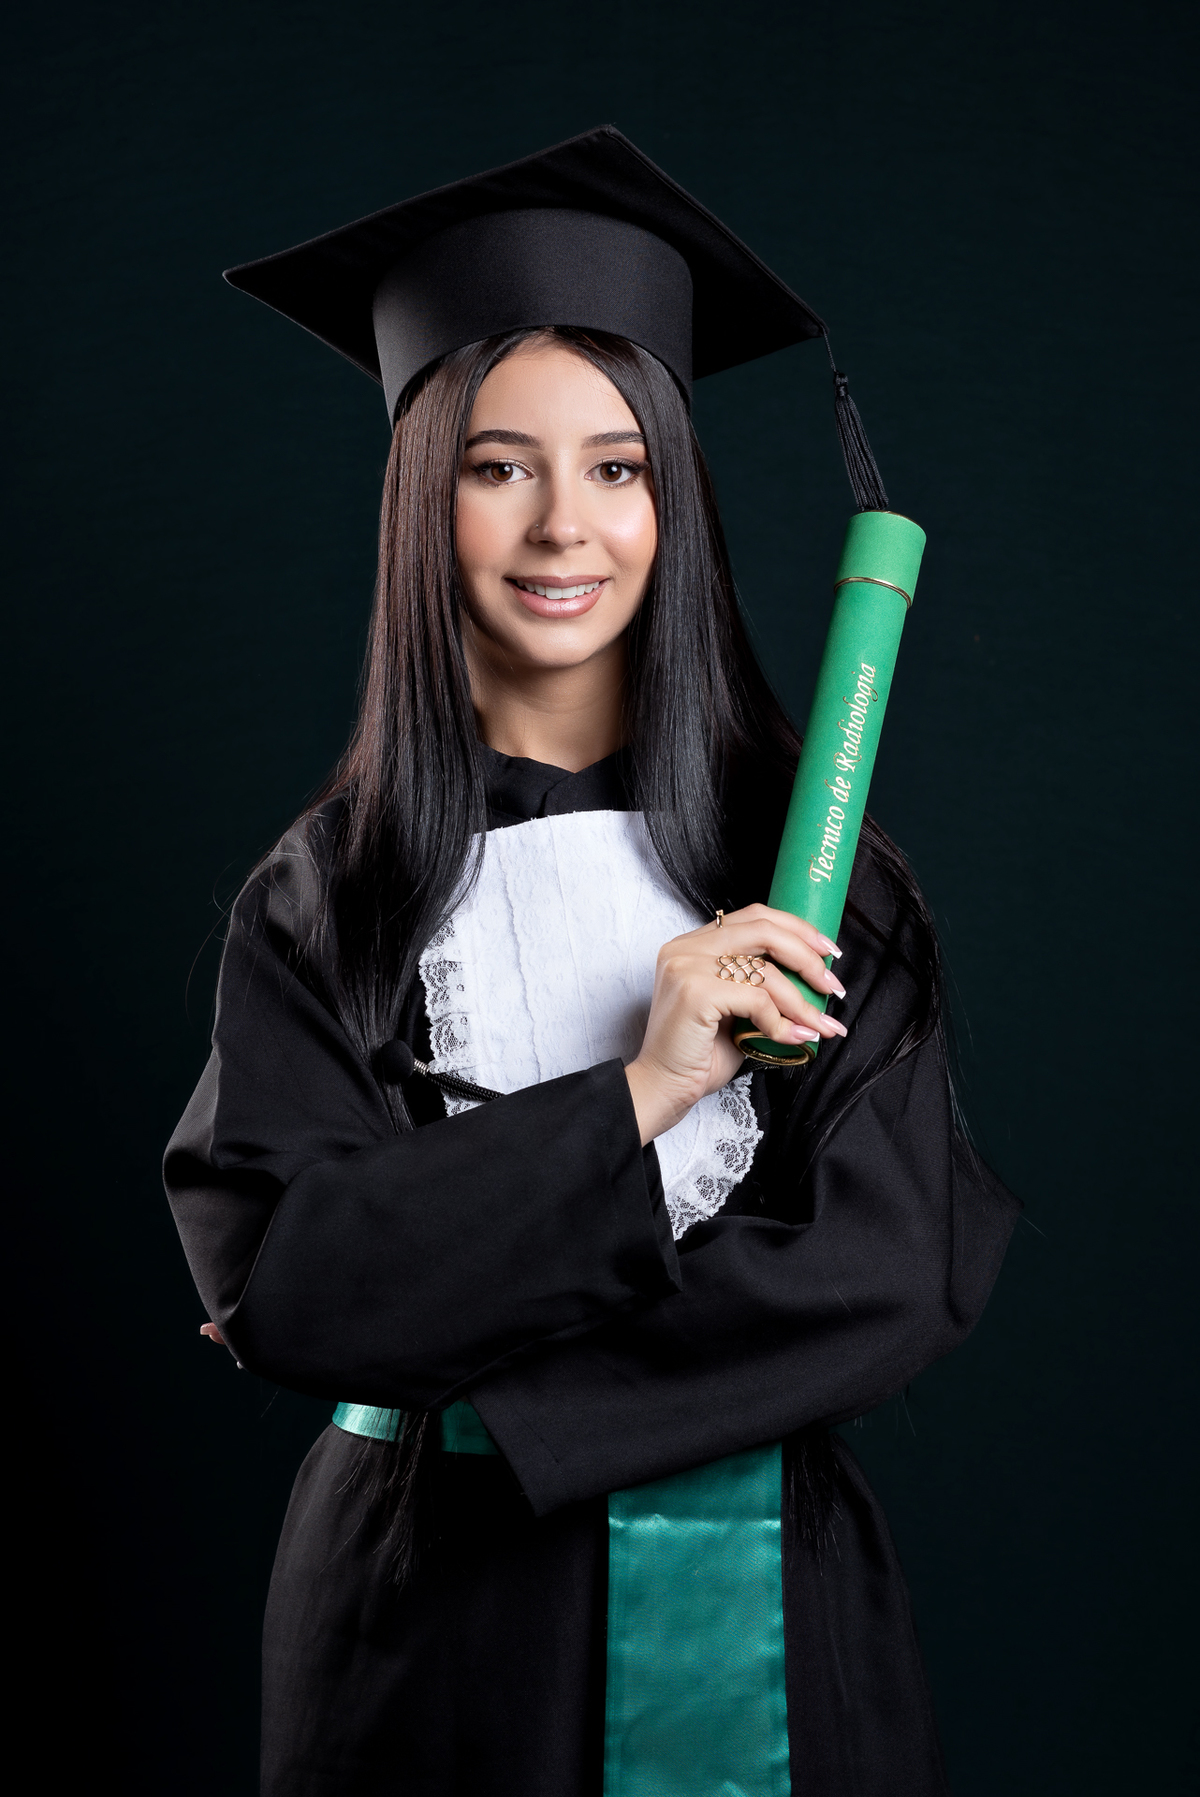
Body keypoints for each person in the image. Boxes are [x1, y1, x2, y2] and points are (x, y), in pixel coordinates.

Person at [165, 127, 1019, 1797]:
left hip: (771, 1604)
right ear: (428, 495)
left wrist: (429, 1316)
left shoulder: (815, 876)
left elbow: (894, 1269)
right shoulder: (327, 895)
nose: (566, 525)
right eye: (499, 464)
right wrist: (645, 1090)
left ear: (673, 495)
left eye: (618, 465)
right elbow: (295, 1271)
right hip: (418, 1633)